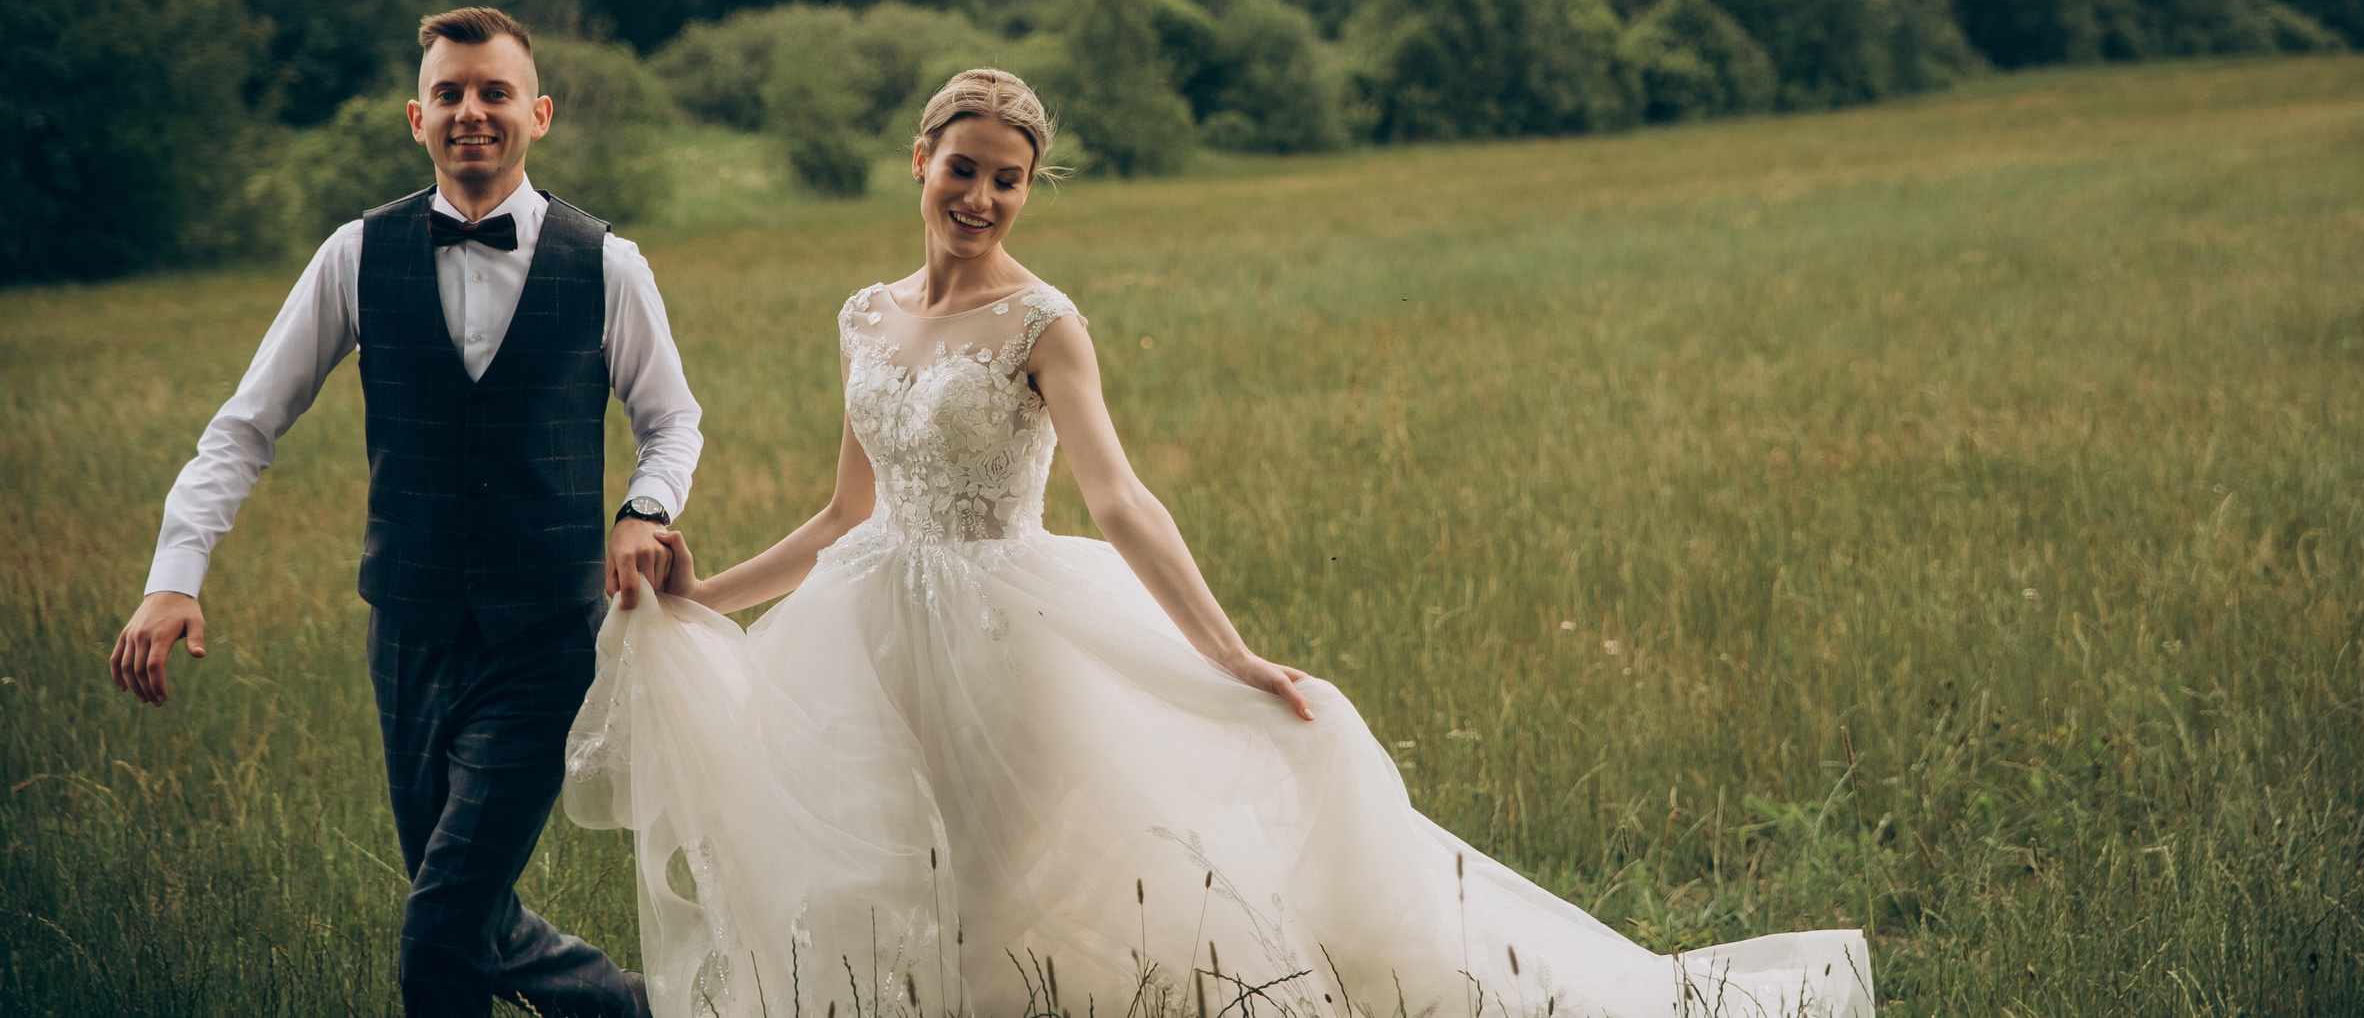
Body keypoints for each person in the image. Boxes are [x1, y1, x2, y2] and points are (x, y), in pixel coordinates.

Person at [565, 68, 1872, 1018]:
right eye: (961, 167)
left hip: (1004, 623)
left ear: (1029, 190)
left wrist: (1234, 654)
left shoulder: (1045, 323)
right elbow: (845, 512)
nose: (980, 195)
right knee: (894, 868)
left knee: (1002, 868)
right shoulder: (862, 317)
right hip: (868, 621)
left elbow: (1123, 497)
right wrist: (706, 597)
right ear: (920, 163)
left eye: (1006, 179)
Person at [109, 6, 703, 1018]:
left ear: (539, 113)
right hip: (409, 636)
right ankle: (656, 1010)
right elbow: (245, 425)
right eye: (450, 93)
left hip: (545, 638)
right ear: (416, 116)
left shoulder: (608, 263)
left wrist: (644, 509)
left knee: (435, 935)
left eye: (494, 91)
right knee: (474, 922)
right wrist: (175, 574)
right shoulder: (354, 254)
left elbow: (672, 420)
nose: (471, 110)